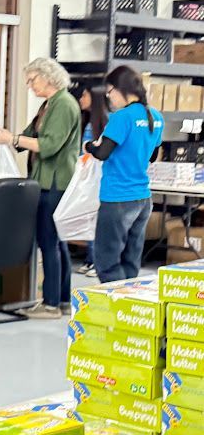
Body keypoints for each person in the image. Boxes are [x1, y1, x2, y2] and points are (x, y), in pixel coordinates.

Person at [0, 58, 80, 319]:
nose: (29, 85)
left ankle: (52, 303)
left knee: (49, 240)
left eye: (32, 80)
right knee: (55, 241)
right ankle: (61, 299)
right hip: (45, 180)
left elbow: (49, 145)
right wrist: (6, 136)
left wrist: (14, 139)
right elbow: (27, 136)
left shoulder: (63, 105)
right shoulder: (48, 105)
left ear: (48, 77)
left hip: (55, 183)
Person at [85, 66, 163, 283]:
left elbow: (102, 153)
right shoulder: (156, 117)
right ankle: (129, 308)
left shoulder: (121, 118)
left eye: (110, 92)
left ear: (121, 90)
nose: (109, 98)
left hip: (118, 197)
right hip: (142, 198)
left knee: (107, 260)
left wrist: (89, 146)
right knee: (131, 259)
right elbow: (153, 156)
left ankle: (116, 306)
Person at [73, 84, 110, 278]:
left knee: (96, 220)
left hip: (98, 179)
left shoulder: (105, 121)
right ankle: (90, 259)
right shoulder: (89, 121)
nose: (81, 98)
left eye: (85, 95)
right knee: (89, 218)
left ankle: (97, 261)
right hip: (87, 176)